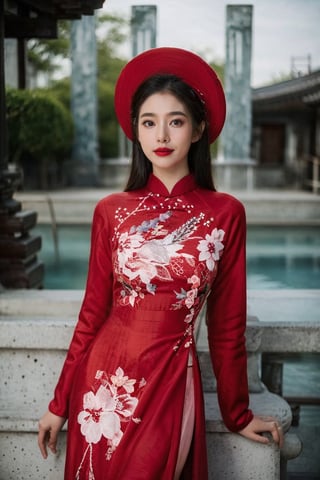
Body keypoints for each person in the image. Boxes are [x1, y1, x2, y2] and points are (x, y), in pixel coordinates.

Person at [38, 47, 284, 479]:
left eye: (176, 121)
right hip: (105, 386)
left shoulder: (225, 213)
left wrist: (238, 414)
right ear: (136, 131)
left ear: (198, 129)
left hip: (172, 376)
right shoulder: (111, 211)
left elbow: (227, 326)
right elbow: (93, 313)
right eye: (149, 122)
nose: (162, 135)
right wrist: (60, 403)